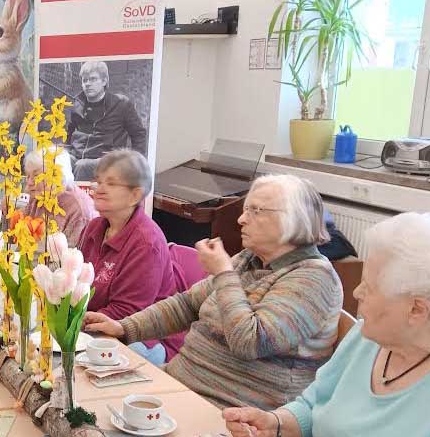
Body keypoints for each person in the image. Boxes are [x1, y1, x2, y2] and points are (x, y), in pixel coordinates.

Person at [224, 213, 430, 437]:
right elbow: (314, 406)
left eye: (371, 285)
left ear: (417, 309)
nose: (358, 292)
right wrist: (275, 424)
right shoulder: (369, 339)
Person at [84, 175, 343, 410]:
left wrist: (223, 274)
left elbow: (250, 342)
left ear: (293, 218)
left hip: (232, 411)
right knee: (85, 400)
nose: (241, 219)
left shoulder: (314, 278)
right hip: (180, 386)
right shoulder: (248, 260)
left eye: (255, 210)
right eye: (245, 210)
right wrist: (123, 328)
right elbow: (187, 305)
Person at [76, 149, 181, 366]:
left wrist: (73, 324)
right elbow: (76, 282)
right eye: (99, 181)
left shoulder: (145, 242)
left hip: (141, 338)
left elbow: (126, 313)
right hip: (93, 324)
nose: (99, 189)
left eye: (111, 184)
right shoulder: (95, 226)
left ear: (135, 195)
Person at [67, 60, 148, 181]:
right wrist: (64, 152)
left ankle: (79, 199)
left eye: (93, 79)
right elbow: (68, 134)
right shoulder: (77, 104)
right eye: (85, 80)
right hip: (77, 155)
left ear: (104, 81)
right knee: (57, 161)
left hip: (108, 159)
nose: (88, 84)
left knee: (82, 166)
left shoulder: (121, 104)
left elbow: (139, 134)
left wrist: (134, 165)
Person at [23, 146, 96, 245]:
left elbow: (75, 254)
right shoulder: (37, 197)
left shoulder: (78, 209)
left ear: (56, 175)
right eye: (28, 176)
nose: (29, 182)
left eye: (36, 176)